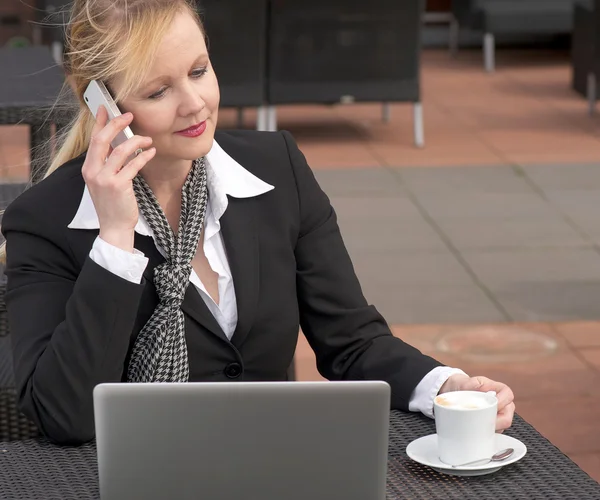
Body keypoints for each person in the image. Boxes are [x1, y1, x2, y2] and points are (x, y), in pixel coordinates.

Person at [1, 0, 515, 445]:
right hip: (136, 476)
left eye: (199, 70)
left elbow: (352, 340)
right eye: (158, 92)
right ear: (100, 101)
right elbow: (62, 416)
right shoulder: (45, 221)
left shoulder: (277, 169)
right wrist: (114, 241)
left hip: (276, 464)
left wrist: (447, 387)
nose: (194, 103)